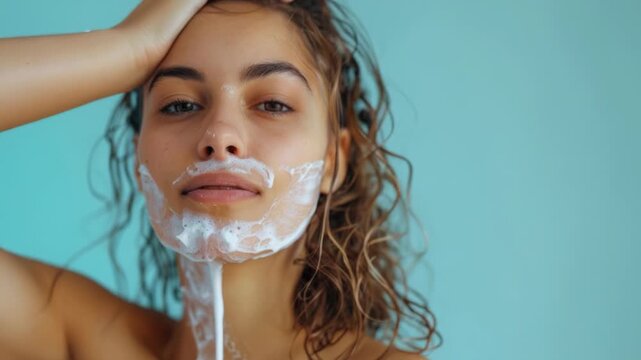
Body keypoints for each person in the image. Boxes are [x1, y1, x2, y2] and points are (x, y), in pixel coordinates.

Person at [0, 0, 439, 359]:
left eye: (272, 104)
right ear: (140, 160)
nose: (219, 137)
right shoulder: (71, 338)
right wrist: (129, 45)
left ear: (331, 161)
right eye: (179, 105)